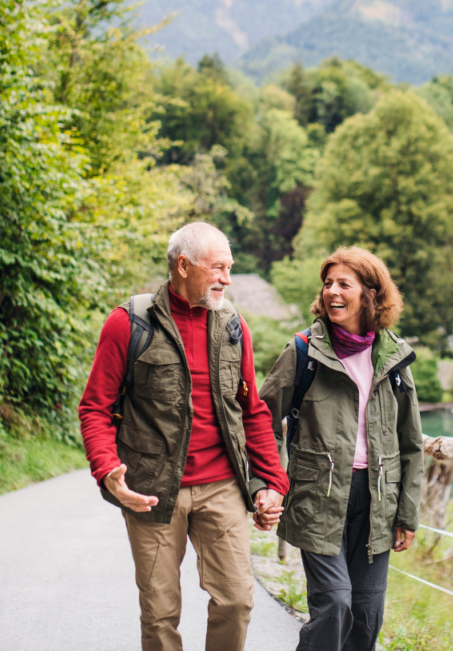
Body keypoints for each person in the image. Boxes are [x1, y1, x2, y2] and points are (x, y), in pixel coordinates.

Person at [78, 222, 290, 651]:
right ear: (183, 265)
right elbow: (95, 408)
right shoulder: (128, 324)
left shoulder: (233, 326)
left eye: (229, 268)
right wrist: (107, 471)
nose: (227, 279)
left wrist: (271, 483)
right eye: (218, 268)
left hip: (222, 486)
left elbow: (252, 410)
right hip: (151, 490)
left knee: (236, 601)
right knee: (159, 613)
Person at [259, 247, 423, 651]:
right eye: (328, 283)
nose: (332, 291)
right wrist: (270, 482)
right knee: (334, 606)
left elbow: (411, 443)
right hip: (318, 498)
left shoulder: (393, 358)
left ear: (370, 294)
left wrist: (407, 512)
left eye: (344, 284)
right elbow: (262, 419)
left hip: (377, 504)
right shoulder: (304, 352)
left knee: (366, 619)